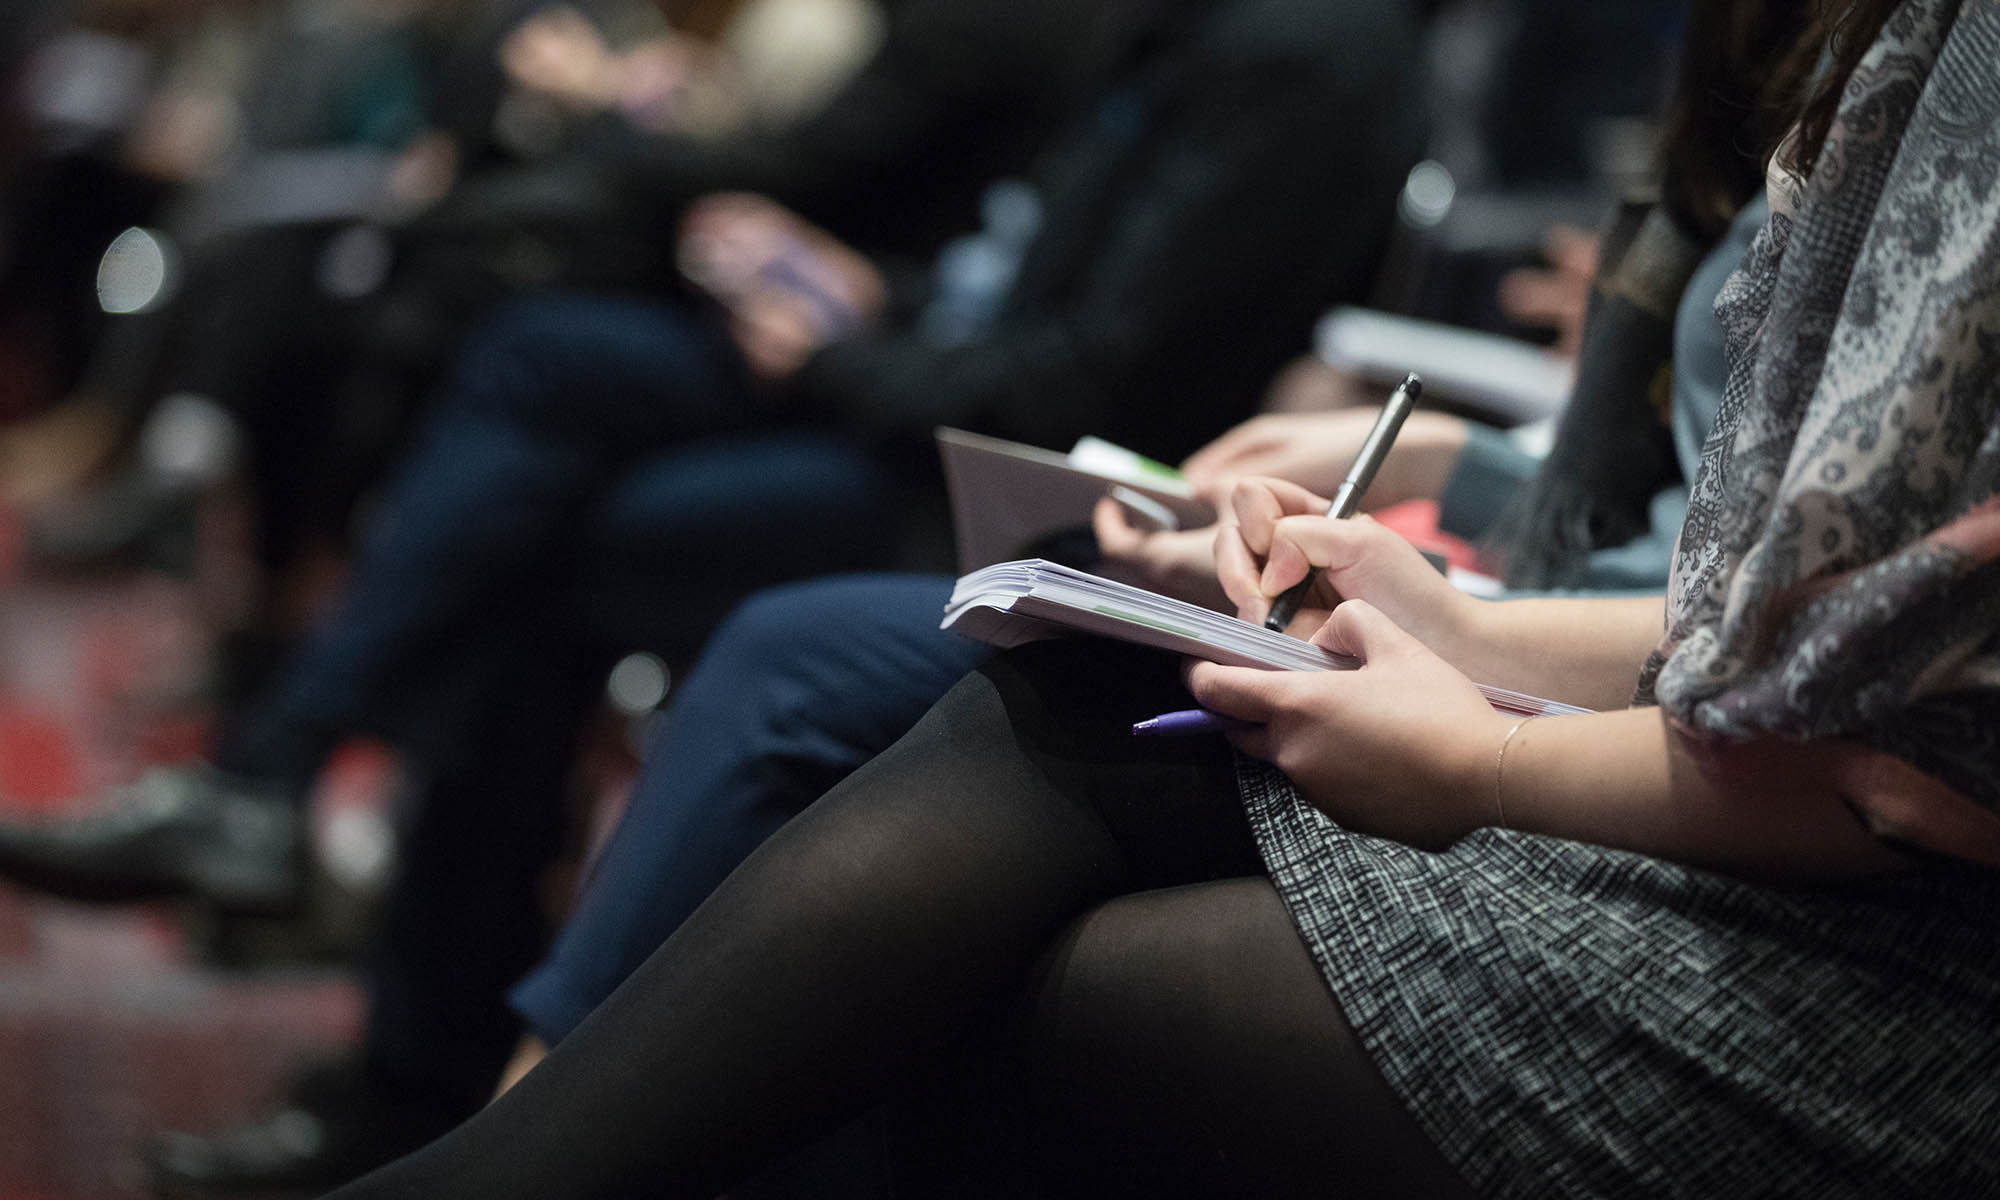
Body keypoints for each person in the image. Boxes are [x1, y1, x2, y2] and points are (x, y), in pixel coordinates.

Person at [312, 0, 2000, 1195]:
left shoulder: (1311, 48)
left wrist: (1485, 725)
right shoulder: (1858, 51)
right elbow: (1762, 604)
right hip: (1648, 696)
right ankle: (455, 1102)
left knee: (965, 894)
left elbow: (1883, 742)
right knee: (1000, 674)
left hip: (1875, 965)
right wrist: (1461, 615)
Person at [0, 0, 1431, 1191]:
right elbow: (1004, 283)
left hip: (1036, 494)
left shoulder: (1292, 50)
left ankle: (456, 1085)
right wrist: (859, 297)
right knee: (530, 365)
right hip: (926, 398)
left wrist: (833, 348)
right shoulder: (1171, 30)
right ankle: (403, 1007)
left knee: (557, 543)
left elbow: (1081, 387)